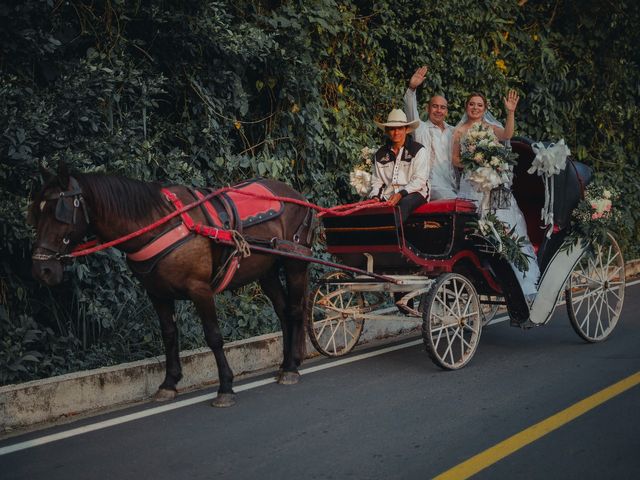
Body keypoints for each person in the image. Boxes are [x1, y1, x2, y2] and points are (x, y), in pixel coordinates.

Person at [452, 91, 540, 296]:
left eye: (479, 105)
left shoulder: (491, 128)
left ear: (485, 108)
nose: (475, 108)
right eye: (472, 104)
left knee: (502, 225)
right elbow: (455, 160)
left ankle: (518, 277)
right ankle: (484, 272)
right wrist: (473, 160)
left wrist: (510, 112)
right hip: (471, 184)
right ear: (467, 107)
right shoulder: (459, 131)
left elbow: (508, 135)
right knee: (474, 227)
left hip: (492, 185)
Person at [404, 66, 457, 199]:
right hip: (432, 186)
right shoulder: (420, 128)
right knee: (453, 201)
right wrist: (412, 89)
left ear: (446, 112)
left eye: (442, 108)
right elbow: (410, 110)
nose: (439, 110)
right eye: (435, 106)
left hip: (455, 184)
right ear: (428, 109)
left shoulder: (454, 131)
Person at [369, 108, 430, 222]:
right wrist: (375, 197)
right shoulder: (380, 154)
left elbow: (420, 180)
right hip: (389, 195)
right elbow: (377, 181)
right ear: (387, 131)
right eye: (392, 129)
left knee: (402, 205)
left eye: (400, 128)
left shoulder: (418, 150)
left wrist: (401, 194)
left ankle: (391, 237)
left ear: (406, 129)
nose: (396, 133)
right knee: (371, 211)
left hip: (415, 192)